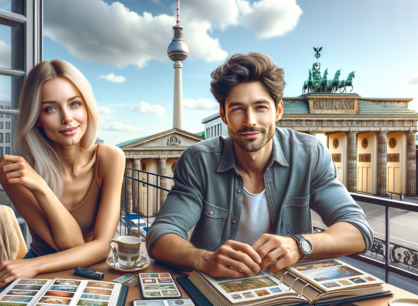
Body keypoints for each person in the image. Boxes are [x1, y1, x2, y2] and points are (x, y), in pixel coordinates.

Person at [146, 53, 373, 277]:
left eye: (261, 107)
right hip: (217, 292)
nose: (249, 120)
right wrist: (205, 259)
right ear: (223, 116)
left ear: (278, 111)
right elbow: (161, 235)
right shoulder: (199, 160)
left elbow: (358, 231)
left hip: (289, 293)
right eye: (237, 109)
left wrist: (299, 245)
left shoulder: (310, 154)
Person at [0, 60, 126, 289]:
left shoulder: (110, 158)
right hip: (39, 279)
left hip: (82, 271)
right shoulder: (18, 172)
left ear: (87, 107)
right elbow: (70, 245)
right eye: (51, 108)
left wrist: (36, 264)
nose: (67, 118)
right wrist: (40, 185)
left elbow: (102, 246)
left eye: (75, 104)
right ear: (37, 118)